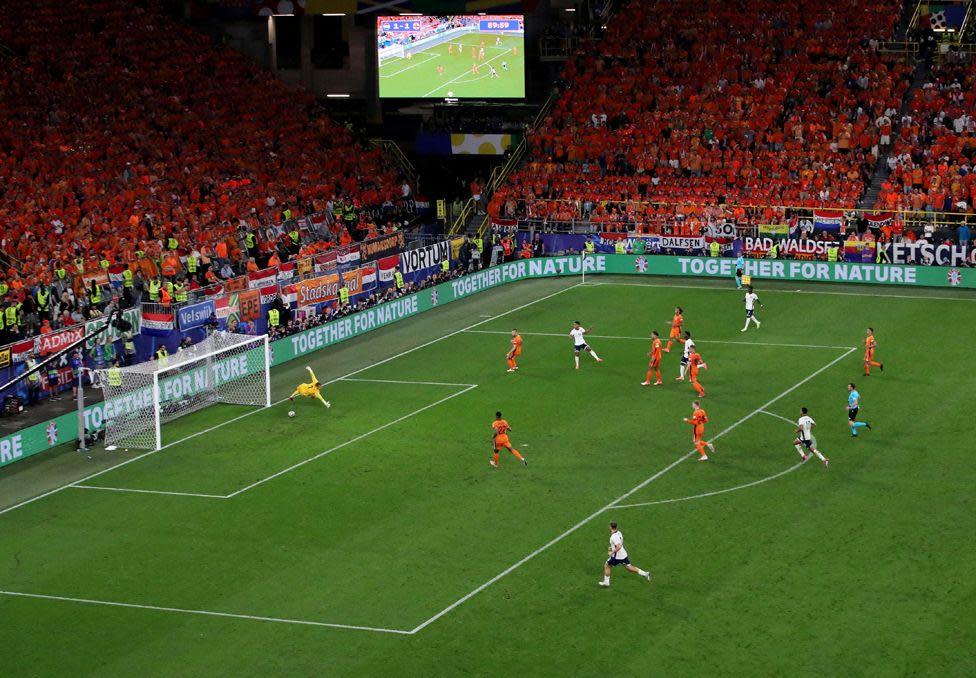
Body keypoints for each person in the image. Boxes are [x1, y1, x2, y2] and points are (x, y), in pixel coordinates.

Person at [599, 522, 651, 587]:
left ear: (610, 527)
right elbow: (620, 543)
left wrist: (611, 552)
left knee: (607, 566)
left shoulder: (613, 537)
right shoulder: (619, 533)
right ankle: (645, 574)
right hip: (623, 554)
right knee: (629, 567)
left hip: (616, 557)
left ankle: (606, 582)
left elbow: (618, 546)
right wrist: (612, 547)